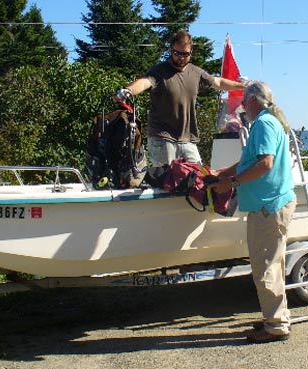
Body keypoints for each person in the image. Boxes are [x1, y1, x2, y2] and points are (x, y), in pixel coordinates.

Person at [208, 81, 297, 343]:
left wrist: (231, 183)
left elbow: (265, 164)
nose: (242, 107)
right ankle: (276, 317)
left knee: (265, 268)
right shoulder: (266, 123)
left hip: (267, 206)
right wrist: (223, 172)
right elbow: (250, 161)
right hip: (269, 204)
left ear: (254, 100)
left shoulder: (265, 124)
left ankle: (276, 326)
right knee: (273, 266)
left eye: (244, 102)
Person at [115, 30, 245, 167]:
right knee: (167, 181)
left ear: (191, 51)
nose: (181, 58)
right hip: (162, 138)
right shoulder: (159, 71)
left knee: (197, 179)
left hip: (188, 139)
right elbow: (144, 82)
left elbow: (218, 83)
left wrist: (243, 87)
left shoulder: (196, 72)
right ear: (171, 50)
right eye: (177, 53)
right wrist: (127, 91)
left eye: (185, 54)